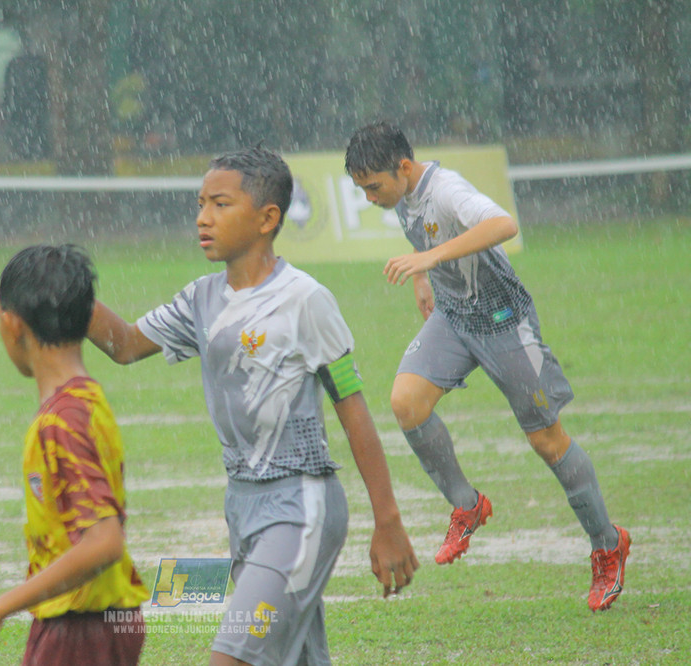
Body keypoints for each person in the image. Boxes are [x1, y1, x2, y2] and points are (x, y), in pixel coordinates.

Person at [87, 146, 418, 666]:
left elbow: (352, 407)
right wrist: (71, 291)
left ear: (268, 219)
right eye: (200, 204)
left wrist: (388, 520)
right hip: (242, 507)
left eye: (220, 204)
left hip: (302, 508)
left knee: (232, 656)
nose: (202, 217)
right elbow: (125, 345)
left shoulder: (305, 299)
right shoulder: (200, 298)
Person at [344, 122, 630, 612]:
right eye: (362, 189)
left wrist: (429, 256)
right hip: (455, 320)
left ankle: (608, 545)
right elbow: (426, 233)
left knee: (547, 441)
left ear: (404, 168)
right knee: (406, 404)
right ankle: (467, 505)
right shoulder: (406, 196)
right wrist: (425, 275)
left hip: (503, 323)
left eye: (374, 187)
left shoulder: (448, 189)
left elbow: (502, 224)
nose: (370, 197)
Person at [0, 244, 150, 666]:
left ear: (11, 325)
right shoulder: (87, 399)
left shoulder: (62, 422)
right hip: (98, 621)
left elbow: (104, 542)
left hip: (81, 629)